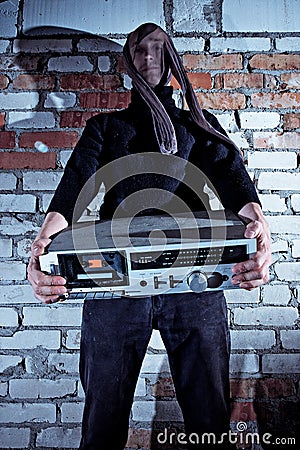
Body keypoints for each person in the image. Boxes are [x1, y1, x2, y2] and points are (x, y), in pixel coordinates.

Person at [27, 23, 272, 450]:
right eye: (140, 50)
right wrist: (40, 250)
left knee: (209, 416)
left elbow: (235, 180)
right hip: (115, 288)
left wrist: (261, 230)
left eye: (159, 49)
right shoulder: (105, 127)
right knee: (102, 421)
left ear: (173, 59)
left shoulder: (198, 125)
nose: (150, 58)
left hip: (194, 285)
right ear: (129, 60)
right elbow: (72, 186)